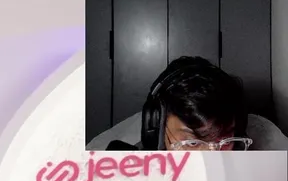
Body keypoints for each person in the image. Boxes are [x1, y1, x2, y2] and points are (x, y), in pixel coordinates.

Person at [89, 56, 288, 151]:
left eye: (225, 141)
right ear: (156, 130)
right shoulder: (109, 158)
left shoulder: (264, 143)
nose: (212, 160)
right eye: (192, 143)